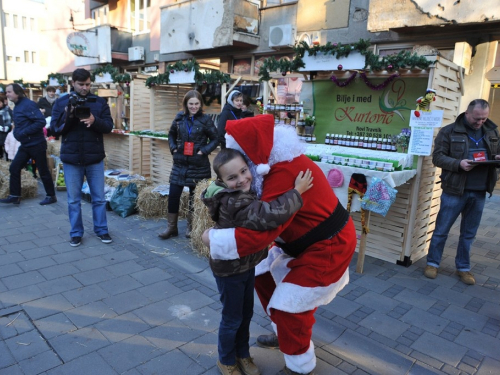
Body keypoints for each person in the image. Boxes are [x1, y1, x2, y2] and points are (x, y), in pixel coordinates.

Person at [203, 115, 357, 375]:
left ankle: (299, 365)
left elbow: (264, 231)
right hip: (299, 243)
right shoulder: (269, 167)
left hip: (328, 246)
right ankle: (287, 335)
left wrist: (213, 239)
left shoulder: (283, 170)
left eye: (243, 167)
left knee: (289, 304)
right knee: (263, 275)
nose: (243, 176)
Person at [202, 147, 313, 375]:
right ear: (221, 181)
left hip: (245, 264)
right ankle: (226, 360)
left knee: (245, 315)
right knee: (233, 318)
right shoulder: (235, 202)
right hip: (230, 270)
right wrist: (297, 192)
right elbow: (268, 214)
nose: (242, 179)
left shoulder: (241, 194)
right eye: (232, 177)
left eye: (244, 171)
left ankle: (242, 355)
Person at [424, 99, 500, 285]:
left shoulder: (492, 132)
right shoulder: (449, 131)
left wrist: (497, 157)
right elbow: (438, 157)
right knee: (441, 230)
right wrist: (458, 164)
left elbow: (495, 153)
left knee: (469, 233)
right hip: (454, 190)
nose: (480, 122)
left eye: (483, 118)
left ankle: (463, 268)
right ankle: (433, 263)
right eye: (476, 118)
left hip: (479, 190)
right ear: (467, 113)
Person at [50, 68, 114, 247]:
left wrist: (95, 121)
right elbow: (54, 129)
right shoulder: (62, 102)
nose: (85, 88)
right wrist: (68, 114)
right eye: (81, 85)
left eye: (87, 84)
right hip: (72, 158)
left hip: (94, 157)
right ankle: (76, 233)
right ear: (73, 83)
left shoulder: (99, 102)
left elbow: (108, 126)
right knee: (73, 200)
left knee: (99, 198)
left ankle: (101, 230)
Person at [159, 90, 218, 240]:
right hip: (180, 163)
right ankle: (171, 227)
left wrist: (203, 151)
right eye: (191, 104)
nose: (194, 107)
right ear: (186, 104)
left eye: (196, 104)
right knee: (173, 196)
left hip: (198, 165)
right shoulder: (179, 118)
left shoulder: (206, 119)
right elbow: (171, 134)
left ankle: (191, 227)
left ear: (200, 104)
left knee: (194, 198)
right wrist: (173, 147)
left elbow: (215, 139)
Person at [0, 84, 56, 205]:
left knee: (43, 170)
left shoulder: (28, 104)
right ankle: (15, 195)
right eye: (6, 92)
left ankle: (51, 196)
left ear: (17, 92)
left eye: (9, 92)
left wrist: (23, 132)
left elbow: (40, 121)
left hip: (36, 144)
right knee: (14, 167)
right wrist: (17, 133)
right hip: (26, 144)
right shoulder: (18, 105)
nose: (7, 94)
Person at [0, 94, 12, 161]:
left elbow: (12, 120)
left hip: (6, 133)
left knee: (7, 150)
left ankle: (8, 161)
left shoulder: (7, 110)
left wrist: (8, 126)